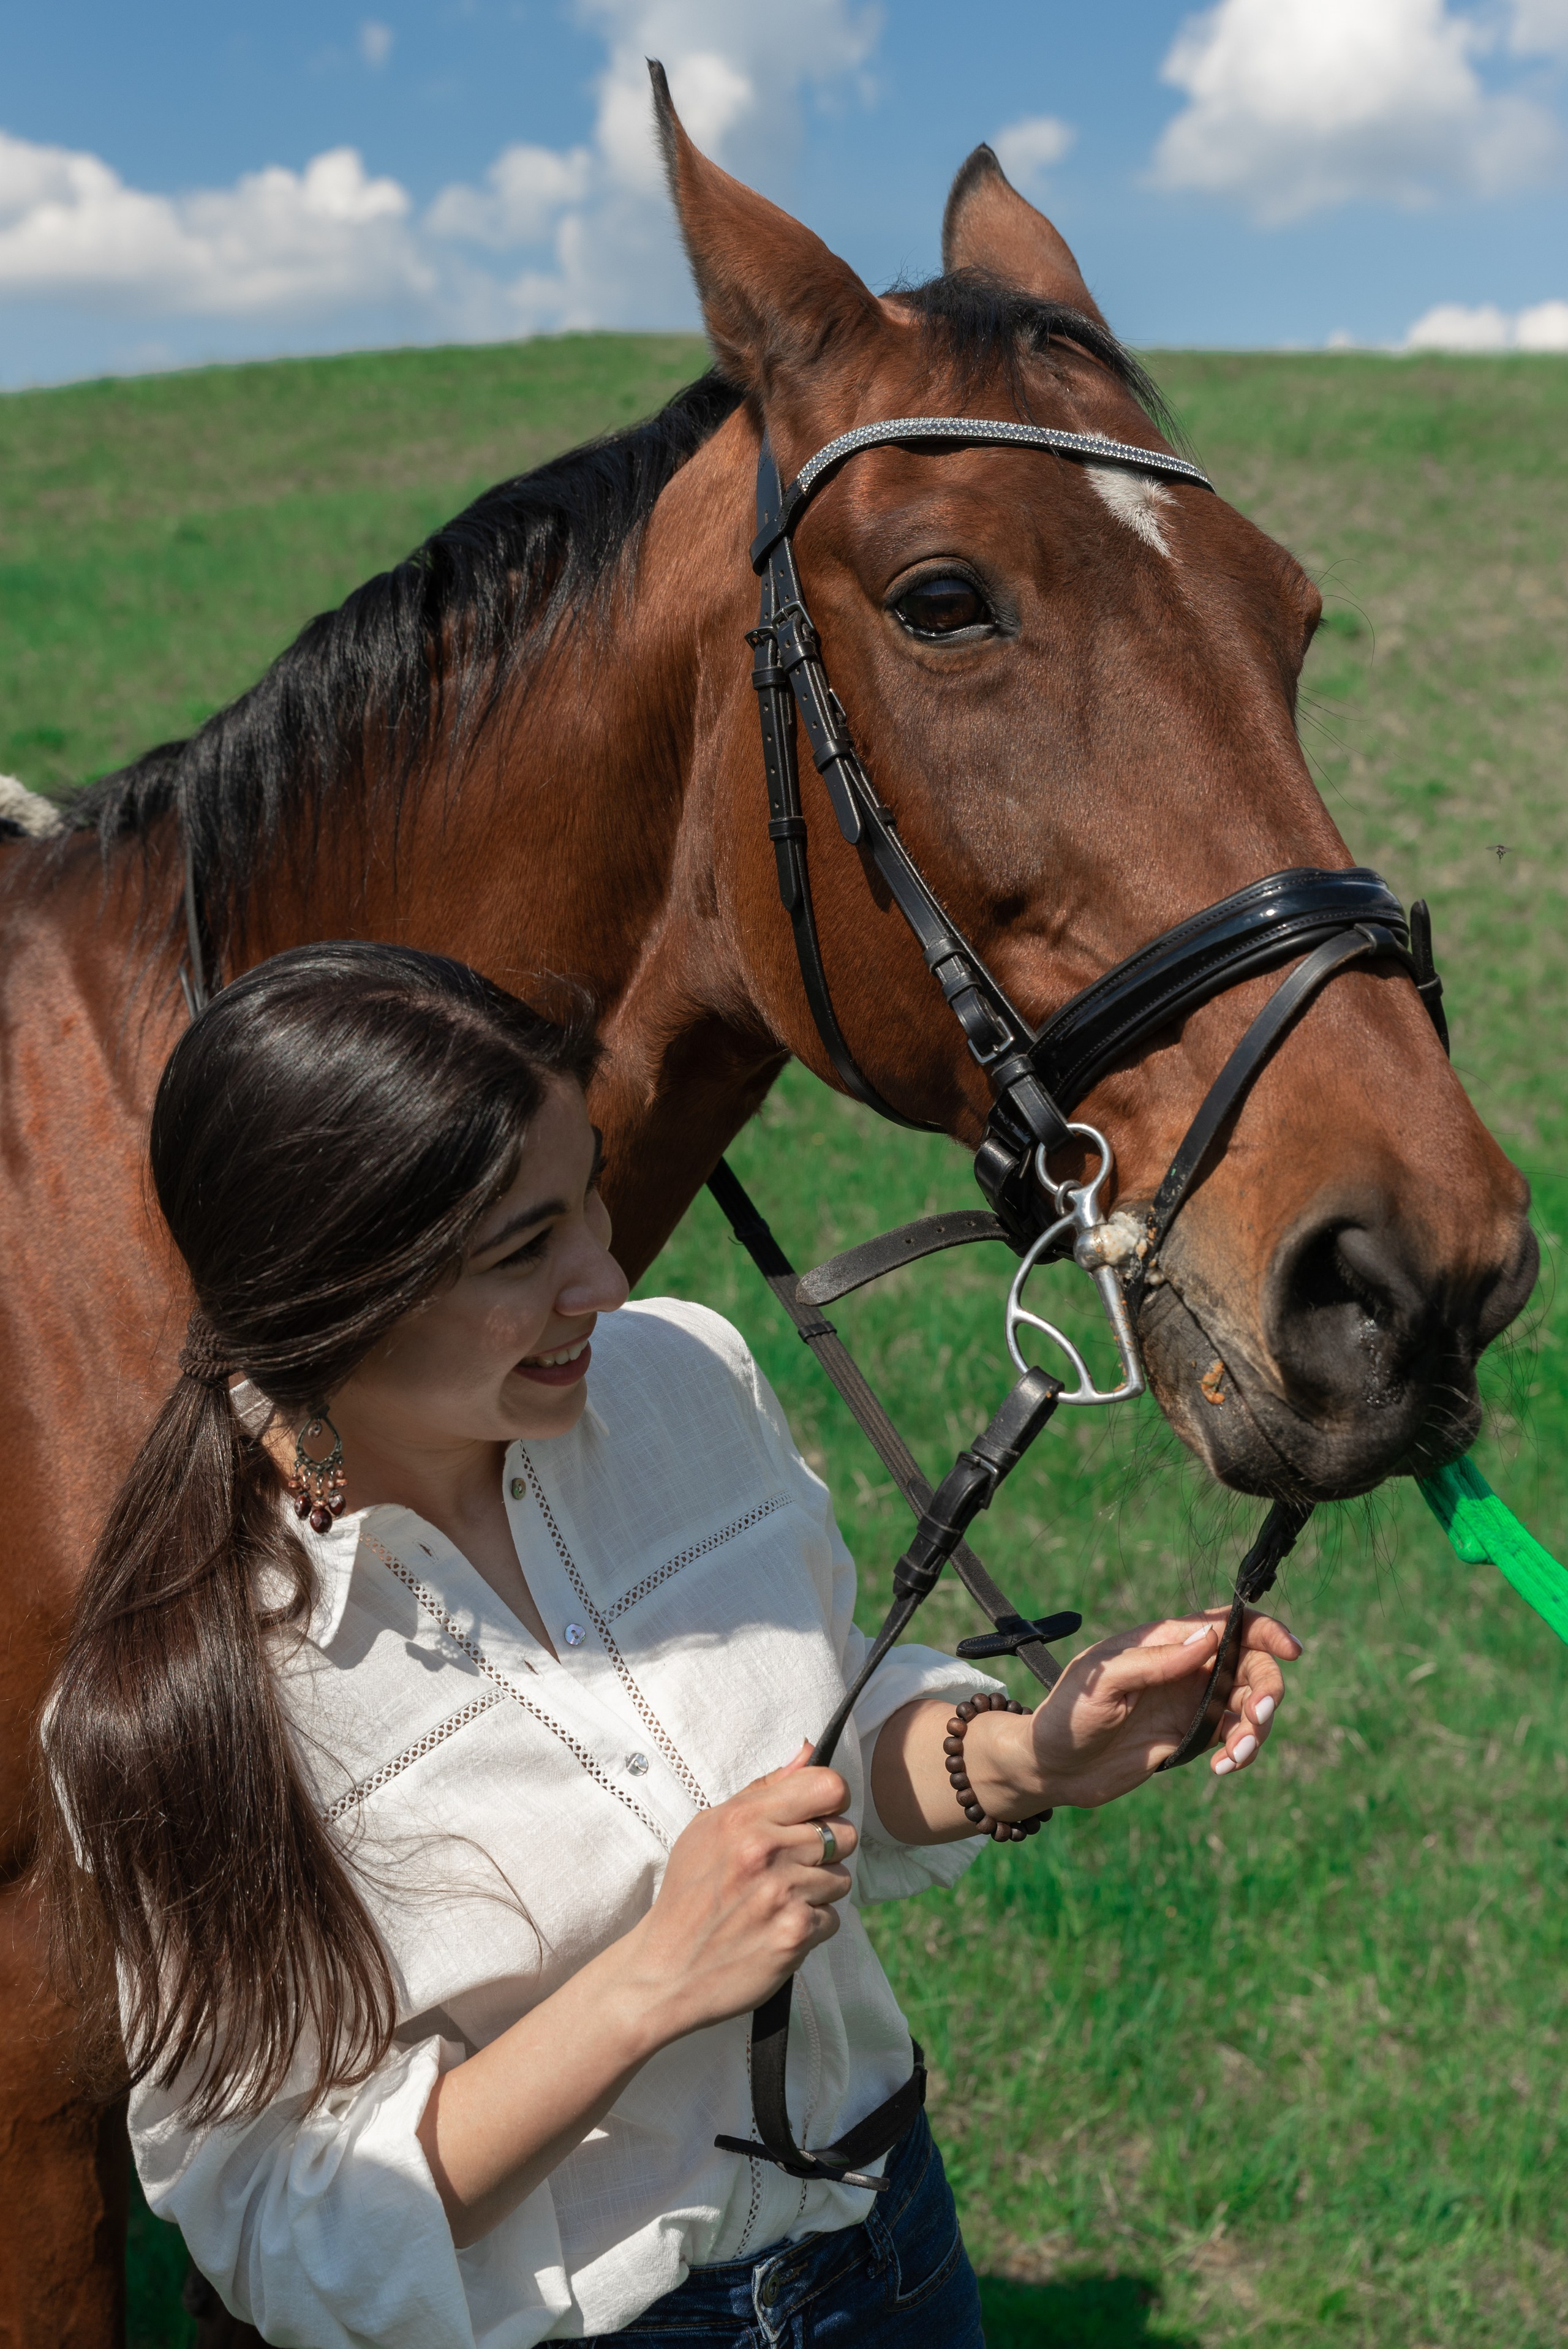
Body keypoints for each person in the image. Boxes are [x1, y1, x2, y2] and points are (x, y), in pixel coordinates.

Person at [41, 942, 1300, 2349]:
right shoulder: (185, 1698)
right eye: (525, 1249)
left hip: (886, 2255)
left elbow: (816, 1705)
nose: (604, 1270)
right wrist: (648, 1981)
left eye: (586, 1192)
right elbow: (288, 2225)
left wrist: (1020, 1753)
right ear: (330, 1292)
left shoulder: (683, 1375)